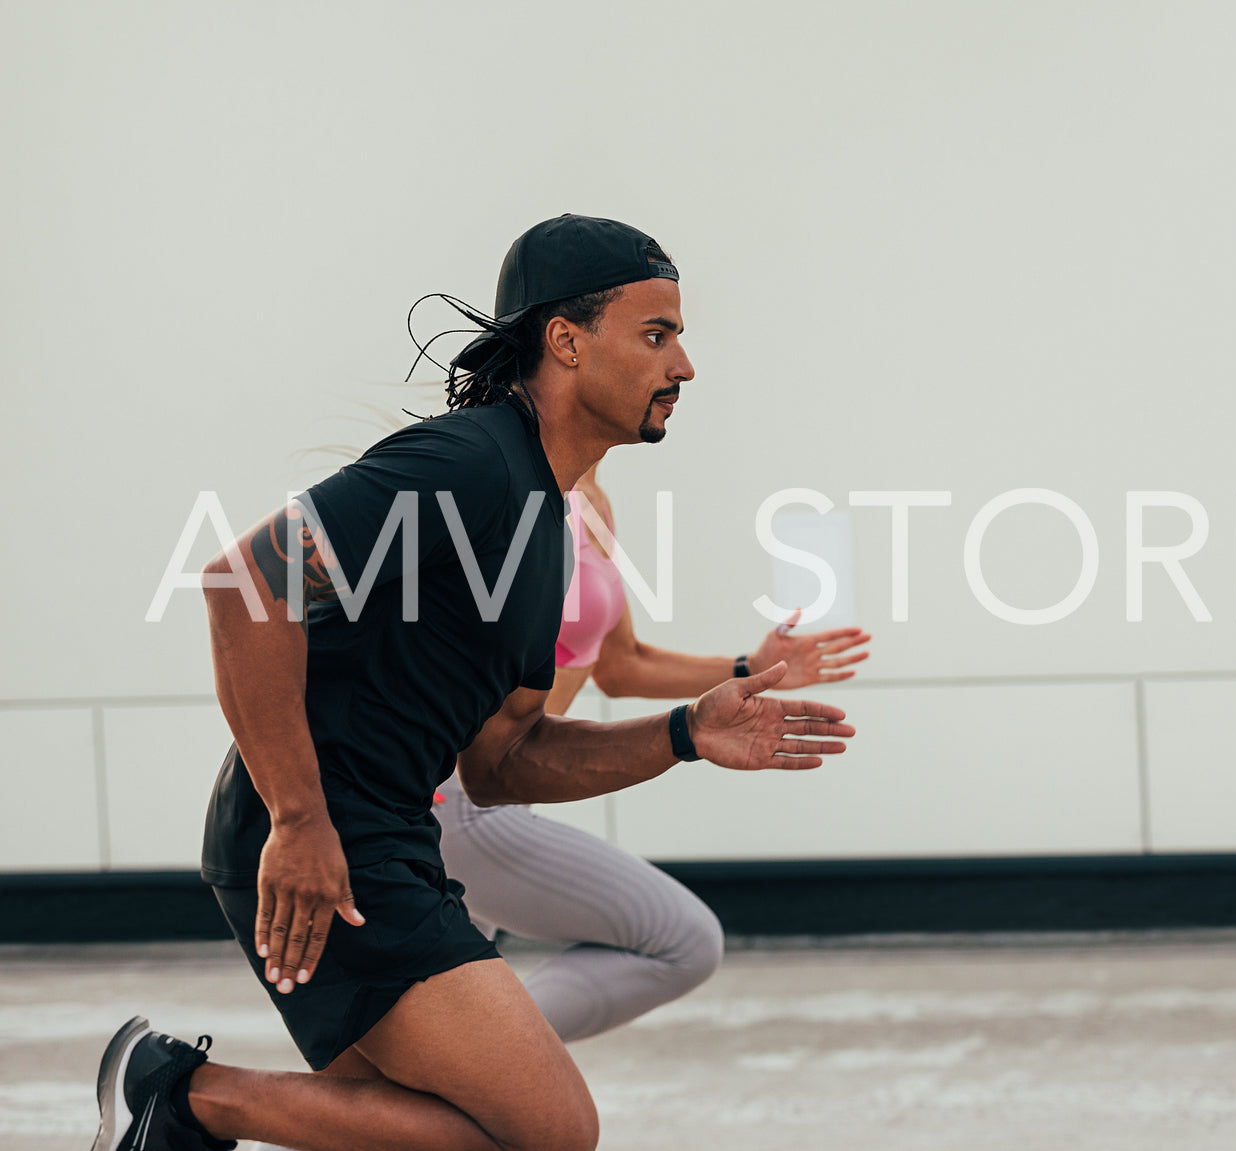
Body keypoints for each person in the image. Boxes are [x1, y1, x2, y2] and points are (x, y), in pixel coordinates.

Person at [90, 213, 855, 1151]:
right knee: (552, 1132)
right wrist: (298, 818)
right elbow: (246, 582)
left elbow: (503, 760)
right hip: (329, 834)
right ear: (565, 341)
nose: (684, 366)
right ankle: (182, 1093)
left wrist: (686, 732)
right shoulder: (473, 462)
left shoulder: (546, 522)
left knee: (453, 1137)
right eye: (657, 335)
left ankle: (177, 1098)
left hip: (385, 829)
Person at [433, 467, 872, 1043]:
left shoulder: (591, 501)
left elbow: (619, 665)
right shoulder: (514, 486)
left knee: (437, 1007)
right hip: (458, 793)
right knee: (682, 942)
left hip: (508, 791)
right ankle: (468, 1064)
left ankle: (444, 1074)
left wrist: (746, 667)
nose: (680, 376)